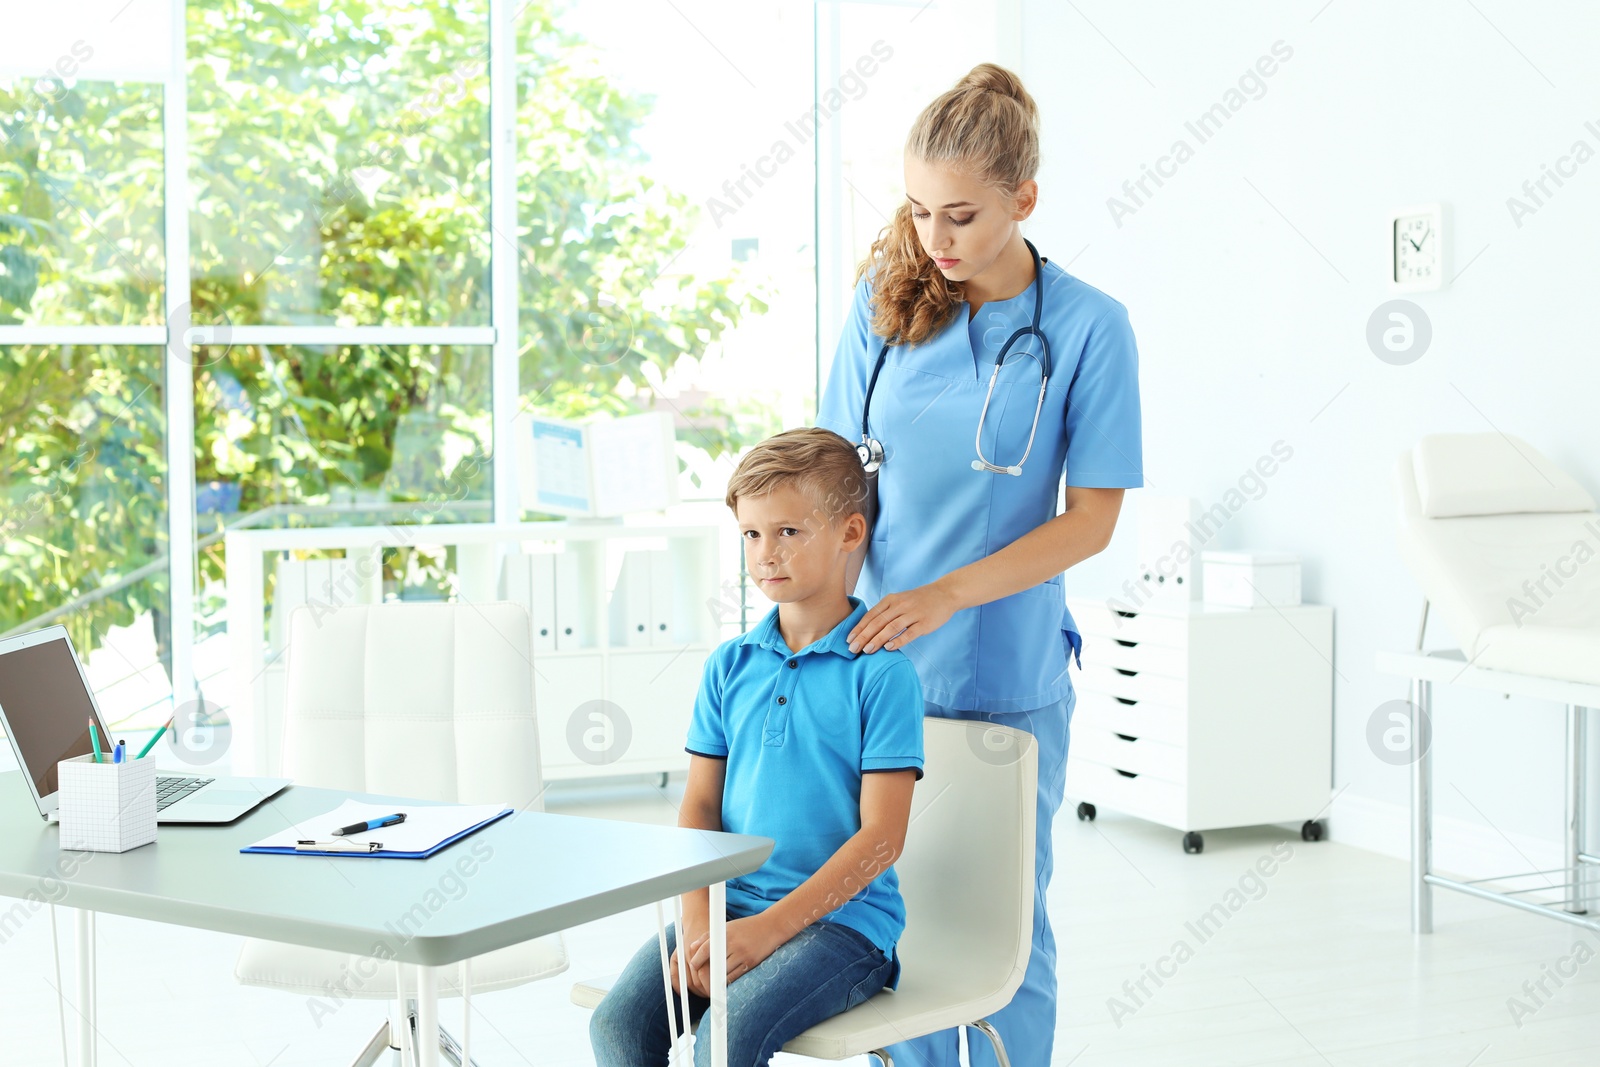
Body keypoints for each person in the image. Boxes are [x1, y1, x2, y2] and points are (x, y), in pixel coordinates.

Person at [815, 63, 1143, 1066]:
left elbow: (1089, 521)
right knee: (881, 915)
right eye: (918, 213)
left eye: (959, 215)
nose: (936, 240)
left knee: (999, 937)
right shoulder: (883, 308)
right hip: (873, 671)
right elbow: (836, 476)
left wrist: (946, 592)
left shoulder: (1087, 326)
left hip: (1000, 672)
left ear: (1024, 198)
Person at [589, 427, 926, 1067]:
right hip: (730, 907)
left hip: (843, 930)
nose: (765, 553)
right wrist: (697, 924)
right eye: (751, 534)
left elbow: (882, 838)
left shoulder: (882, 674)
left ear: (850, 533)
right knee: (617, 1030)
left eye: (788, 532)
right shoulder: (729, 665)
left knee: (726, 1039)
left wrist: (769, 931)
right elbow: (698, 809)